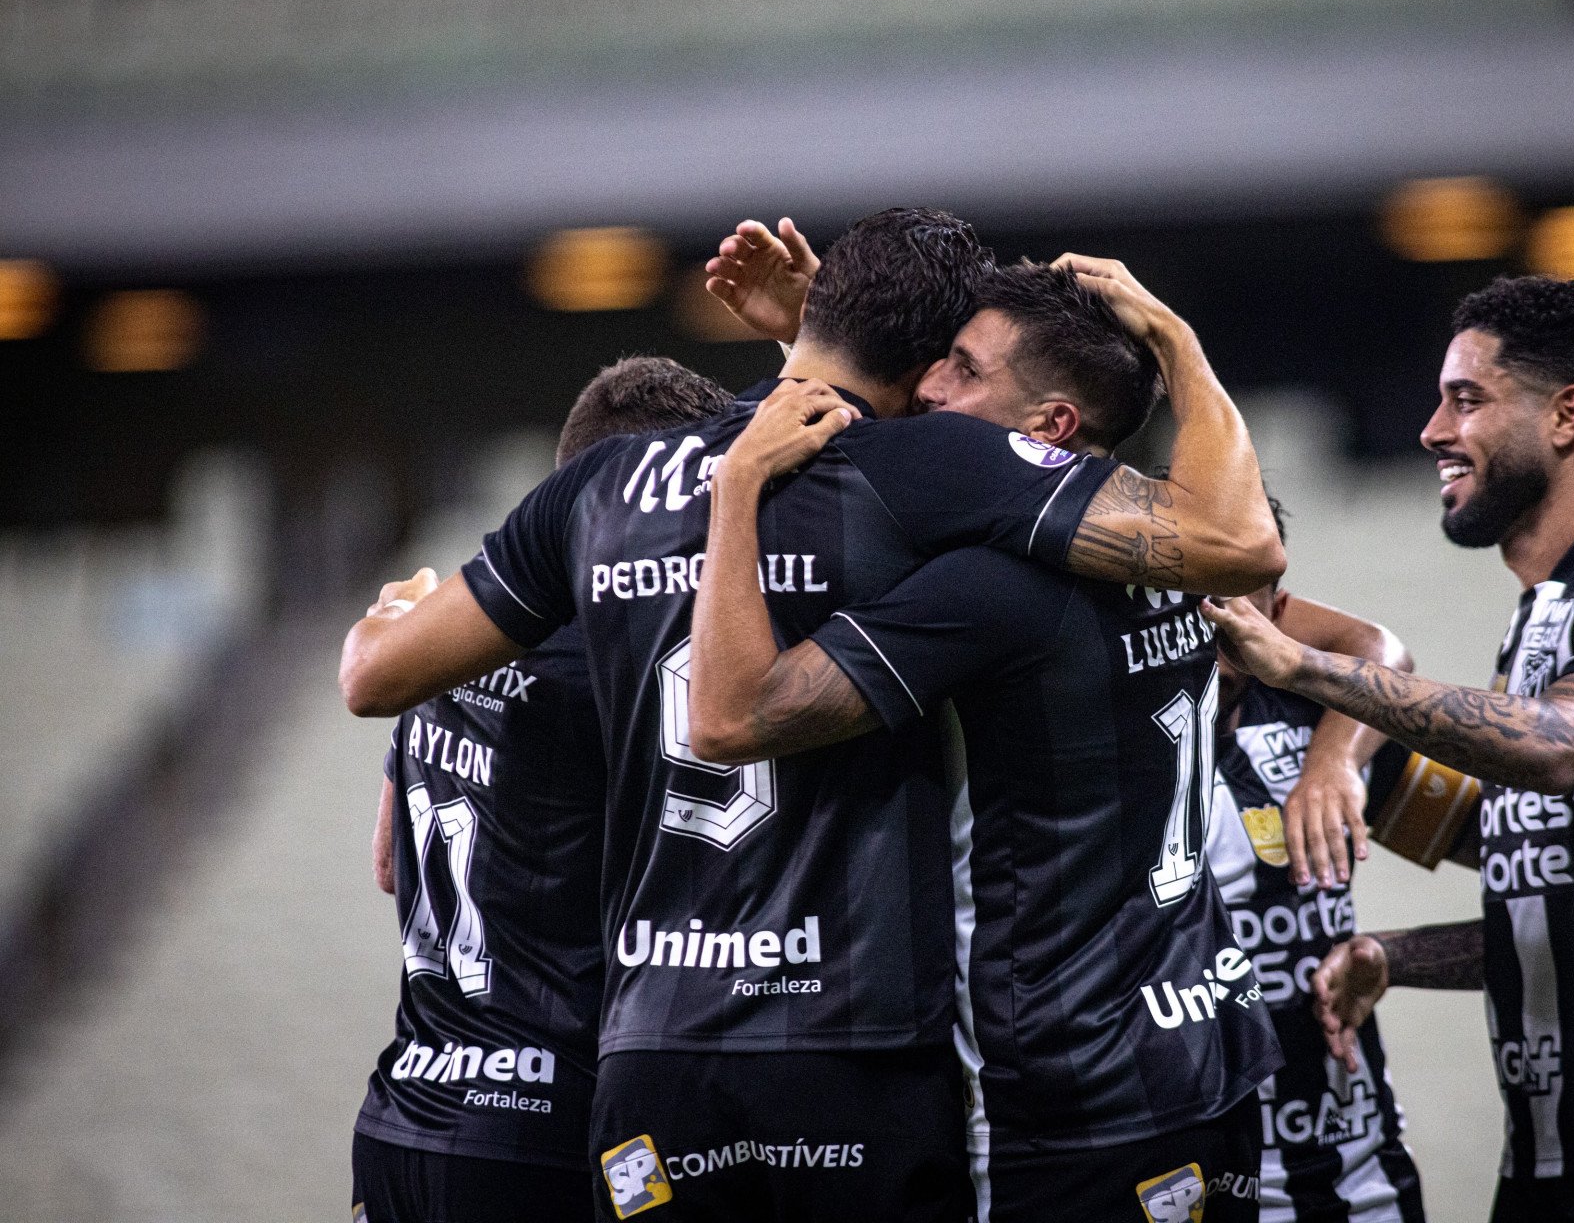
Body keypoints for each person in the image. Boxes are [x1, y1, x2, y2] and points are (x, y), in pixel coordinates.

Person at [338, 208, 1283, 1221]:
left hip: (653, 1053)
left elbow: (374, 677)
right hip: (861, 1044)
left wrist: (402, 678)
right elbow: (1238, 540)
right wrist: (1174, 340)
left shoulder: (596, 487)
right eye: (944, 362)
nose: (938, 390)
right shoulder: (931, 472)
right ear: (922, 361)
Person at [685, 260, 1281, 1223]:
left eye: (961, 369)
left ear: (1048, 431)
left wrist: (736, 485)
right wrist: (814, 336)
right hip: (1209, 1050)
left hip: (1058, 1078)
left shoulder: (990, 589)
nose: (926, 386)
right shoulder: (1172, 555)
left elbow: (736, 717)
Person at [1203, 278, 1574, 1222]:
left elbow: (1562, 747)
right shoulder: (1540, 623)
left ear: (1568, 416)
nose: (1435, 429)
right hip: (1553, 1153)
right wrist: (1392, 957)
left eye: (1466, 399)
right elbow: (1554, 910)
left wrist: (1304, 667)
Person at [352, 357, 733, 1223]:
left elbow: (389, 865)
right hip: (545, 1127)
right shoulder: (617, 658)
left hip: (403, 1115)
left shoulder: (436, 642)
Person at [1201, 510, 1428, 1223]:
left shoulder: (1319, 718)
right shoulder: (1107, 744)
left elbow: (1517, 861)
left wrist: (1397, 955)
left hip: (1363, 1179)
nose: (1225, 615)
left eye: (1249, 588)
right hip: (1197, 1184)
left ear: (1281, 599)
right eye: (1202, 589)